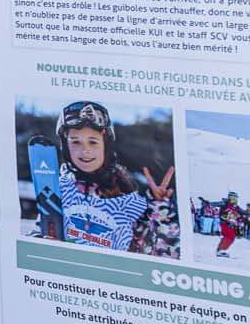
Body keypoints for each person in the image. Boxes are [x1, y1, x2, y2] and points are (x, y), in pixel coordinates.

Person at [34, 100, 170, 253]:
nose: (85, 150)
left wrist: (159, 209)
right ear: (65, 146)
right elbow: (40, 232)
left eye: (93, 142)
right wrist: (39, 241)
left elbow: (155, 250)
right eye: (76, 142)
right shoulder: (58, 190)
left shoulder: (127, 199)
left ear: (106, 146)